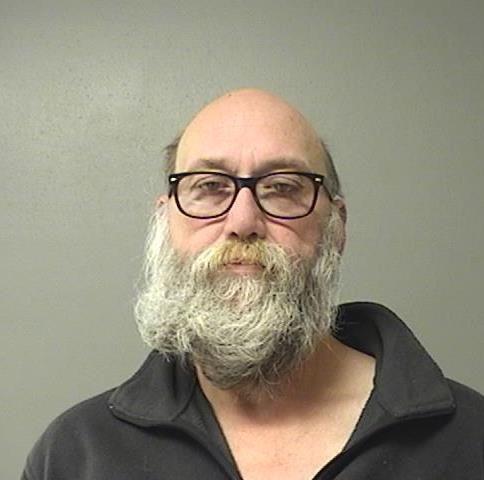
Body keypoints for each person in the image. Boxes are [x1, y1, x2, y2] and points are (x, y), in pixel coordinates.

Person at [22, 89, 484, 480]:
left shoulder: (471, 439)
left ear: (336, 226)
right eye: (209, 187)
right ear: (164, 222)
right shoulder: (76, 455)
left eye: (282, 188)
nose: (243, 221)